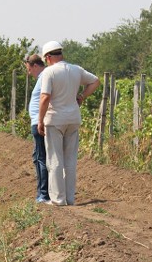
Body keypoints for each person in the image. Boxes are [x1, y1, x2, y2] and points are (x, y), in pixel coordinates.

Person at [37, 41, 100, 206]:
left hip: (55, 119)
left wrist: (40, 120)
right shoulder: (76, 69)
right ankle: (70, 198)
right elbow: (95, 81)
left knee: (54, 159)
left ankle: (58, 199)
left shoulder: (49, 72)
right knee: (70, 159)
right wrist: (81, 97)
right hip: (73, 119)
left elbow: (44, 98)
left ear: (48, 57)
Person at [25, 54, 50, 204]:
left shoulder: (44, 76)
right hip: (38, 122)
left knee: (41, 158)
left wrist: (40, 121)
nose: (29, 73)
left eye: (29, 69)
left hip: (39, 123)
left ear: (35, 66)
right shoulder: (43, 77)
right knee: (39, 157)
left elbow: (46, 99)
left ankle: (43, 194)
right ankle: (44, 192)